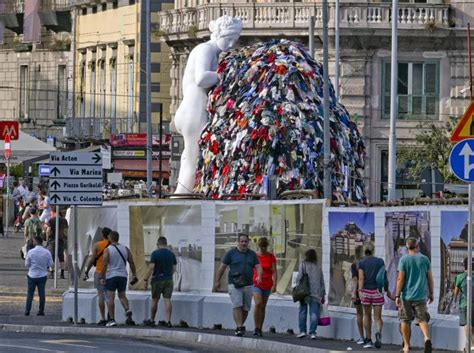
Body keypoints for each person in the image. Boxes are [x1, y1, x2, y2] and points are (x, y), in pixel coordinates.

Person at [173, 15, 242, 194]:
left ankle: (183, 193)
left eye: (234, 40)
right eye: (228, 39)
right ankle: (182, 197)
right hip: (193, 110)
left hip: (190, 110)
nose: (231, 45)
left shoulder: (208, 51)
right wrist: (226, 74)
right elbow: (202, 78)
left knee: (188, 156)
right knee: (193, 159)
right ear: (218, 34)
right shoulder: (205, 49)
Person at [214, 233, 262, 337]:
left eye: (245, 241)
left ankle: (239, 327)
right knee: (237, 305)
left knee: (246, 308)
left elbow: (258, 266)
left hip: (248, 284)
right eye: (242, 241)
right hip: (234, 284)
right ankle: (240, 327)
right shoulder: (231, 253)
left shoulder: (252, 254)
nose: (244, 243)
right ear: (238, 242)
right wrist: (217, 281)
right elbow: (222, 267)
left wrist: (259, 275)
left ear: (248, 242)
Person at [395, 237, 434, 353]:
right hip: (421, 296)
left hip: (406, 296)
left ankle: (406, 346)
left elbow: (400, 279)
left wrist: (397, 295)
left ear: (407, 248)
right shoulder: (425, 259)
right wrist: (431, 293)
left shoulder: (404, 260)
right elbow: (430, 278)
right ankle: (427, 338)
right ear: (418, 246)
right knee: (422, 319)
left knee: (405, 320)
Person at [100, 230, 138, 327]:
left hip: (111, 276)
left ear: (110, 238)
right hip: (123, 276)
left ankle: (112, 319)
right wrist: (134, 274)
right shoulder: (125, 249)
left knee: (110, 298)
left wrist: (102, 277)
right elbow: (131, 262)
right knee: (122, 296)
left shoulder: (108, 250)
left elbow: (104, 264)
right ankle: (127, 309)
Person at [143, 236, 177, 327]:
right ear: (166, 243)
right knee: (167, 300)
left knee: (155, 300)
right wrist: (168, 275)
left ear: (158, 244)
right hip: (169, 280)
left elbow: (151, 268)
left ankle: (152, 320)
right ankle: (168, 321)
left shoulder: (155, 253)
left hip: (157, 279)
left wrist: (145, 279)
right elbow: (174, 269)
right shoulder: (171, 254)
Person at [358, 242, 386, 349]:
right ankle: (378, 332)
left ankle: (368, 340)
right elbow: (383, 276)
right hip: (377, 291)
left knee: (367, 315)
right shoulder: (380, 261)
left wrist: (360, 290)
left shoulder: (361, 263)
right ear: (373, 250)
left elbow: (361, 278)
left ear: (364, 251)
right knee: (378, 317)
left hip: (366, 291)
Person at [83, 227, 112, 325]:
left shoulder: (97, 245)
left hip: (100, 272)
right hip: (111, 273)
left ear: (102, 235)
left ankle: (103, 318)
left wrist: (87, 270)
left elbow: (92, 259)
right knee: (109, 295)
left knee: (101, 295)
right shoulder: (113, 246)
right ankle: (111, 317)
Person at [296, 249, 326, 340]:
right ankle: (313, 332)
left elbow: (299, 278)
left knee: (302, 311)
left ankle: (302, 331)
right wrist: (323, 293)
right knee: (314, 313)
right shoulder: (318, 267)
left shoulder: (303, 265)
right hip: (315, 293)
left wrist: (297, 287)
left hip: (304, 292)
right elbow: (322, 281)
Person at [252, 237, 277, 337]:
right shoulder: (255, 256)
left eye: (264, 246)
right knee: (258, 303)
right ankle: (256, 327)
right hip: (256, 283)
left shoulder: (271, 257)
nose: (263, 249)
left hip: (267, 284)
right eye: (261, 247)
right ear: (259, 246)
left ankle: (260, 328)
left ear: (267, 246)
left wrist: (275, 284)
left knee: (263, 307)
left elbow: (274, 271)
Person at [24, 234, 53, 316]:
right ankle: (41, 310)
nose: (32, 242)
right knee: (42, 294)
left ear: (36, 242)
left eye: (33, 241)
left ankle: (27, 310)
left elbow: (26, 264)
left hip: (32, 275)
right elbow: (51, 263)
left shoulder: (30, 252)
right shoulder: (47, 252)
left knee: (30, 293)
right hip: (42, 275)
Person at [454, 257, 474, 351]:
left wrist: (454, 301)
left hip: (464, 304)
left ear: (464, 266)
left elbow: (456, 292)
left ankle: (472, 346)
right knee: (473, 326)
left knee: (466, 325)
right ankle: (469, 346)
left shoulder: (460, 277)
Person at [45, 209, 68, 279]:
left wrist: (47, 239)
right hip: (61, 240)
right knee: (61, 257)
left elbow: (48, 230)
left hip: (52, 240)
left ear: (54, 212)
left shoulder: (51, 220)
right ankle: (62, 274)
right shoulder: (64, 220)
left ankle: (52, 274)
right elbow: (66, 231)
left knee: (51, 257)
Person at [351, 245, 365, 345]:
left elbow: (355, 279)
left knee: (359, 314)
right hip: (368, 290)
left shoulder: (354, 265)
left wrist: (353, 292)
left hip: (358, 292)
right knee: (368, 315)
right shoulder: (367, 263)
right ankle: (369, 337)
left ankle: (361, 337)